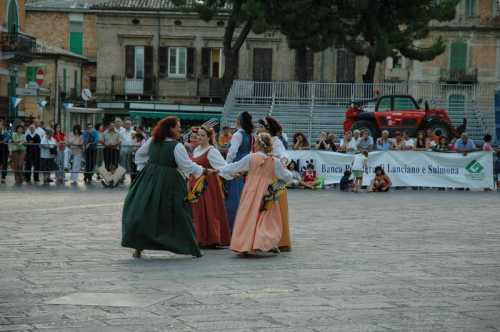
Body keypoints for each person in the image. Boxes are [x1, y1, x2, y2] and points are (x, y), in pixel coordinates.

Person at [122, 116, 212, 259]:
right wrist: (204, 170)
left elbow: (139, 155)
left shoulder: (153, 141)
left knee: (144, 210)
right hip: (170, 181)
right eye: (178, 126)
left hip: (149, 178)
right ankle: (192, 248)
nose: (180, 129)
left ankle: (138, 247)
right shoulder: (176, 146)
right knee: (180, 212)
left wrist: (148, 168)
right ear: (170, 129)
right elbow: (186, 165)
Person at [219, 132, 293, 255]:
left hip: (251, 192)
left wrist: (220, 169)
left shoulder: (251, 157)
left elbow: (233, 167)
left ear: (257, 144)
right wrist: (278, 184)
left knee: (248, 217)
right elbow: (288, 176)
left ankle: (245, 244)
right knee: (266, 218)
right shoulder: (274, 161)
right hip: (267, 194)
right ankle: (264, 242)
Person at [189, 126, 230, 248]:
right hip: (195, 184)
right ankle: (200, 237)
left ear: (209, 137)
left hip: (208, 186)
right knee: (198, 211)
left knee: (209, 210)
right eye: (198, 135)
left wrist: (232, 173)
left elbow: (223, 167)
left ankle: (211, 238)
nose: (199, 137)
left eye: (203, 135)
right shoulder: (196, 150)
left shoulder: (212, 151)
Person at [259, 116, 292, 251]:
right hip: (261, 180)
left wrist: (283, 161)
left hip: (274, 181)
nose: (258, 128)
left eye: (260, 126)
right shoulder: (259, 141)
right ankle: (263, 240)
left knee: (274, 210)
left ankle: (277, 240)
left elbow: (285, 155)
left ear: (267, 129)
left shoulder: (275, 141)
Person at [225, 111, 254, 231]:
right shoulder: (250, 135)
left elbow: (232, 153)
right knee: (243, 197)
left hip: (237, 166)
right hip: (247, 166)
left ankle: (232, 228)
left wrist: (226, 167)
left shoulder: (238, 134)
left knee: (234, 198)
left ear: (240, 121)